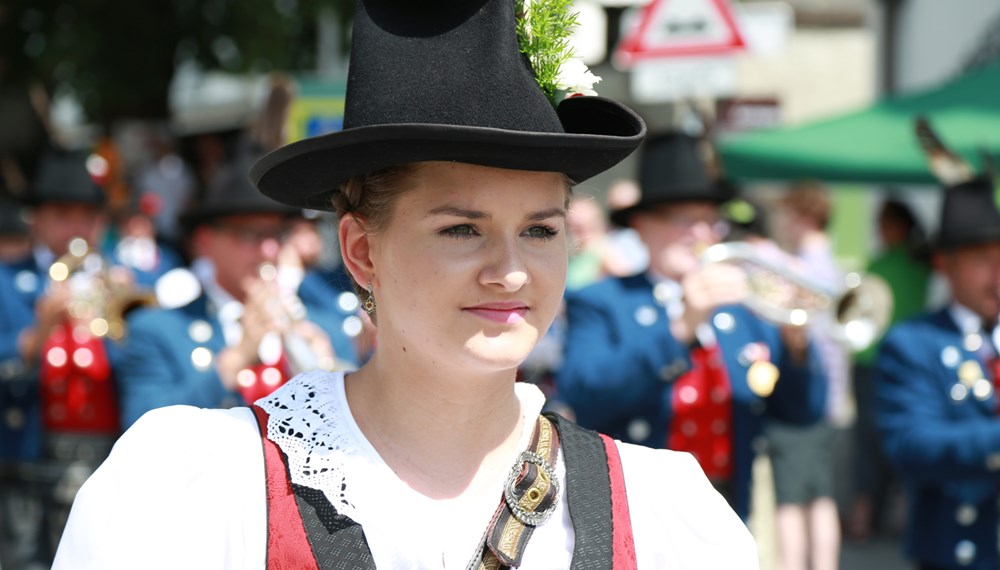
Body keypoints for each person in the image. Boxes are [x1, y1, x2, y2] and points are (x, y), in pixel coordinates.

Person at [51, 1, 758, 567]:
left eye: (541, 230)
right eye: (461, 229)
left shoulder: (659, 507)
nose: (511, 269)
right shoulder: (201, 487)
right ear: (361, 251)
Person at [557, 131, 829, 523]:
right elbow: (586, 394)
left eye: (710, 221)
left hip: (725, 506)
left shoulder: (741, 311)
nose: (701, 234)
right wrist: (681, 326)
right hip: (637, 508)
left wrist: (797, 346)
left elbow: (800, 414)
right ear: (641, 224)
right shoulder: (603, 301)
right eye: (684, 220)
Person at [113, 155, 358, 429]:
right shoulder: (156, 329)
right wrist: (236, 360)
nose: (269, 252)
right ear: (205, 242)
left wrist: (323, 376)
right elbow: (141, 432)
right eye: (250, 235)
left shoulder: (326, 329)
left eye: (277, 235)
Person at [876, 176, 1000, 570]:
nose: (998, 276)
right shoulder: (913, 343)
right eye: (983, 260)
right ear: (945, 264)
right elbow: (911, 445)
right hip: (960, 551)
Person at [767, 184, 845, 570]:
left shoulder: (800, 267)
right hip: (830, 396)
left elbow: (791, 326)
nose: (784, 225)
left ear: (804, 218)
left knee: (791, 500)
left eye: (787, 217)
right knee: (821, 494)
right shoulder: (832, 264)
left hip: (801, 398)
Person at [847, 197, 930, 541]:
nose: (879, 230)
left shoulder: (881, 266)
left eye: (884, 223)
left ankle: (864, 517)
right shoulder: (921, 264)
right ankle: (900, 515)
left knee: (869, 442)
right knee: (902, 438)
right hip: (904, 364)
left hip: (873, 364)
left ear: (897, 227)